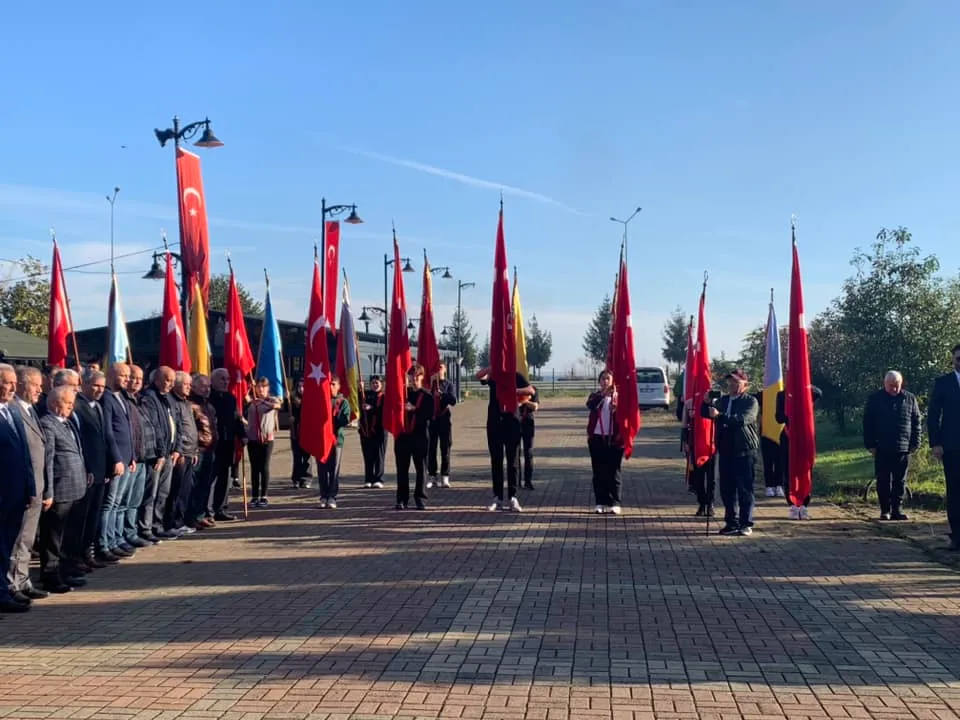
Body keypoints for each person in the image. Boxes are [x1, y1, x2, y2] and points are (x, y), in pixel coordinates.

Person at [38, 387, 89, 594]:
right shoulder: (48, 424)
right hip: (60, 490)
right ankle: (50, 576)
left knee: (69, 535)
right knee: (53, 537)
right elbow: (48, 461)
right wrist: (48, 492)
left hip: (76, 487)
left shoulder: (67, 423)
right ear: (54, 404)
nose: (71, 407)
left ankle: (66, 570)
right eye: (67, 404)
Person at [7, 366, 48, 604]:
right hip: (21, 487)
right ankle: (12, 583)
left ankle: (23, 580)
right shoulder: (12, 410)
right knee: (18, 539)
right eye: (35, 385)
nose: (40, 390)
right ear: (21, 384)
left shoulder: (31, 411)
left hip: (36, 485)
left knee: (28, 539)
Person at [74, 368, 123, 570]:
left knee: (93, 515)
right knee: (82, 517)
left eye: (102, 386)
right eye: (95, 385)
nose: (99, 390)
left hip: (101, 469)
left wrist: (112, 461)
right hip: (87, 471)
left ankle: (88, 553)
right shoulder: (77, 406)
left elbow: (106, 437)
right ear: (83, 384)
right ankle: (76, 557)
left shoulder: (98, 407)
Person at [702, 369, 759, 536]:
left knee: (744, 488)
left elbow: (742, 420)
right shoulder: (723, 400)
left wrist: (719, 416)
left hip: (744, 450)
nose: (732, 385)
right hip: (725, 449)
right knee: (727, 489)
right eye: (730, 382)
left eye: (736, 382)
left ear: (744, 384)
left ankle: (745, 523)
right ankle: (731, 522)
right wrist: (706, 403)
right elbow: (705, 414)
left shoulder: (751, 401)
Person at [863, 370, 920, 521]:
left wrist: (915, 443)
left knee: (900, 481)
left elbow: (916, 422)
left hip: (903, 447)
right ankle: (885, 510)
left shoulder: (910, 398)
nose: (894, 389)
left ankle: (897, 509)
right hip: (882, 447)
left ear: (901, 384)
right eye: (890, 385)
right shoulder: (875, 399)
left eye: (897, 385)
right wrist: (870, 445)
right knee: (883, 480)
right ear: (884, 384)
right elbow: (867, 424)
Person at [476, 366, 534, 512]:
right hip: (494, 422)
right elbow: (479, 376)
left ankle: (513, 497)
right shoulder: (494, 376)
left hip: (512, 422)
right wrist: (491, 367)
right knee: (496, 460)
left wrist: (513, 391)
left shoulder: (515, 375)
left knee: (512, 461)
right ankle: (498, 497)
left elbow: (530, 390)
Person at [0, 364, 33, 612]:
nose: (13, 387)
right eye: (7, 382)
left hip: (17, 493)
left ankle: (5, 591)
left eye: (13, 382)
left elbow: (25, 453)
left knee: (7, 545)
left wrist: (30, 487)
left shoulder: (12, 412)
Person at [926, 344, 960, 551]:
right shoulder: (943, 383)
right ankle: (956, 536)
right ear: (953, 359)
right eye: (958, 358)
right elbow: (933, 416)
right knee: (955, 492)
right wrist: (936, 443)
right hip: (951, 446)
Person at [775, 384, 823, 519]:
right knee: (788, 471)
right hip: (788, 436)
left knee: (805, 470)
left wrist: (804, 385)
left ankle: (804, 504)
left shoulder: (808, 392)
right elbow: (778, 418)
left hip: (805, 437)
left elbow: (819, 392)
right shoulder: (781, 395)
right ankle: (792, 505)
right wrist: (790, 408)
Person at [394, 364, 434, 510]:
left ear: (422, 377)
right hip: (403, 436)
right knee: (402, 468)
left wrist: (415, 409)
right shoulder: (404, 393)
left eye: (417, 376)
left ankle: (420, 498)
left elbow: (430, 415)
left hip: (420, 436)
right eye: (411, 376)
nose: (414, 379)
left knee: (421, 468)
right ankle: (401, 499)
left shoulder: (427, 395)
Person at [166, 372, 200, 534]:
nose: (189, 387)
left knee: (185, 490)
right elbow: (178, 429)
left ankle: (181, 520)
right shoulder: (173, 402)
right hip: (179, 453)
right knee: (176, 490)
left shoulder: (186, 403)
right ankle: (173, 522)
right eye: (186, 384)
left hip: (189, 452)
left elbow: (190, 426)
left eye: (190, 384)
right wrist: (178, 450)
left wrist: (194, 450)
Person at [586, 370, 624, 514]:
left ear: (613, 381)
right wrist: (603, 395)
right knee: (599, 471)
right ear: (599, 381)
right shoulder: (595, 396)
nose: (605, 381)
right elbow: (590, 405)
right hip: (597, 438)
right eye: (602, 379)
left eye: (608, 379)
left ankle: (615, 501)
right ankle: (600, 501)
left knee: (614, 471)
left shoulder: (618, 398)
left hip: (615, 439)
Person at [208, 368, 243, 521]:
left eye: (227, 379)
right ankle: (207, 510)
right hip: (212, 444)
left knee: (225, 477)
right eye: (222, 379)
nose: (225, 382)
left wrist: (243, 435)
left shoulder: (231, 398)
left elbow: (236, 418)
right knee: (211, 479)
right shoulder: (208, 398)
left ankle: (220, 508)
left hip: (228, 443)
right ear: (213, 380)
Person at [187, 373, 218, 529]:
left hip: (209, 450)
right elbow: (189, 430)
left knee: (204, 485)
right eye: (203, 386)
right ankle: (191, 517)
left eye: (208, 386)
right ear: (194, 387)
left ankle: (200, 515)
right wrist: (192, 449)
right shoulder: (190, 405)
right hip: (197, 450)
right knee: (194, 486)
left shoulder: (208, 405)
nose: (206, 389)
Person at [246, 377, 281, 508]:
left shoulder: (271, 400)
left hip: (267, 439)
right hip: (253, 438)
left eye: (263, 387)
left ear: (268, 388)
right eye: (258, 386)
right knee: (254, 467)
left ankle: (264, 496)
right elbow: (244, 401)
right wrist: (249, 388)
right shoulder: (252, 402)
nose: (260, 389)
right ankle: (255, 495)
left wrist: (262, 402)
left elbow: (277, 406)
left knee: (264, 466)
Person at [318, 374, 351, 509]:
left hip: (336, 440)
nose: (330, 386)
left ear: (338, 386)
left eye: (333, 384)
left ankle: (332, 496)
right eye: (329, 384)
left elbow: (345, 419)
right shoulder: (321, 400)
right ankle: (323, 495)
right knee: (322, 469)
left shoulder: (343, 402)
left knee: (334, 469)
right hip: (321, 440)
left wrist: (331, 420)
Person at [427, 362, 458, 489]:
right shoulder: (430, 385)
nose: (438, 371)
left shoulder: (449, 384)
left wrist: (442, 395)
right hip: (432, 420)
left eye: (440, 368)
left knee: (445, 448)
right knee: (431, 449)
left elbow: (453, 400)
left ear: (444, 370)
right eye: (436, 368)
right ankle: (432, 476)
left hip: (444, 419)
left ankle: (445, 476)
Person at [358, 376, 386, 489]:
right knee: (368, 455)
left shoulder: (384, 397)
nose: (375, 385)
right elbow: (358, 402)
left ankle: (378, 478)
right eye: (373, 383)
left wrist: (372, 408)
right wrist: (360, 390)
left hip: (380, 430)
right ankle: (368, 478)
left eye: (377, 383)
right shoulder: (366, 395)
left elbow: (384, 411)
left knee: (379, 455)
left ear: (382, 384)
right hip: (366, 430)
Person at [289, 378, 312, 488]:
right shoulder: (292, 399)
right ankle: (296, 478)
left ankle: (306, 478)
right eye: (299, 386)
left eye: (303, 386)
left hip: (307, 430)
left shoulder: (309, 399)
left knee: (307, 456)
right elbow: (289, 411)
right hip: (296, 431)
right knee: (297, 456)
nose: (301, 389)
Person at [518, 381, 540, 490]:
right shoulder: (513, 387)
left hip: (528, 423)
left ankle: (528, 480)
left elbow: (535, 406)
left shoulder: (533, 389)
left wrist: (525, 401)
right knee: (515, 454)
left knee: (528, 453)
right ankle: (516, 481)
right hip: (515, 423)